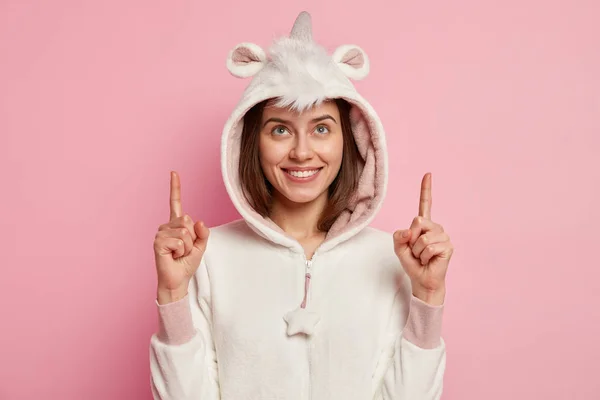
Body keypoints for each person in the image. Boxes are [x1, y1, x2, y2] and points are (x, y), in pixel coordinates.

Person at [149, 11, 453, 400]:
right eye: (280, 129)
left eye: (322, 128)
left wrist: (427, 297)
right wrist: (173, 296)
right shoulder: (206, 257)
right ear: (251, 141)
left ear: (352, 140)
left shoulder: (393, 258)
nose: (302, 152)